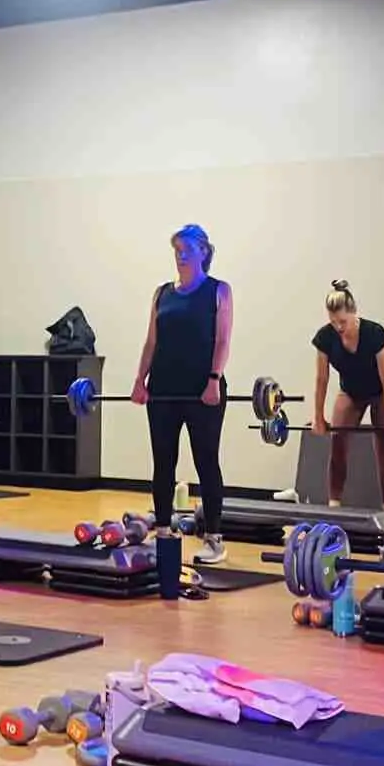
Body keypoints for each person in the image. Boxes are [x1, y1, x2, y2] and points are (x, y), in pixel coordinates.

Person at [133, 224, 233, 567]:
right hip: (163, 388)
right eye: (176, 249)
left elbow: (222, 341)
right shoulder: (162, 293)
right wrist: (139, 381)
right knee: (163, 460)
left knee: (206, 460)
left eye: (186, 249)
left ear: (203, 251)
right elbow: (151, 342)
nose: (180, 255)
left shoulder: (219, 290)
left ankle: (215, 539)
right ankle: (163, 530)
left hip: (203, 389)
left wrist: (213, 380)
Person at [310, 280, 384, 510]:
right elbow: (321, 380)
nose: (338, 327)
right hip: (351, 391)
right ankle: (334, 504)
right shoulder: (325, 338)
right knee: (338, 440)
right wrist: (318, 417)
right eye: (333, 322)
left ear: (354, 313)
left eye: (343, 321)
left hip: (381, 391)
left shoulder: (375, 334)